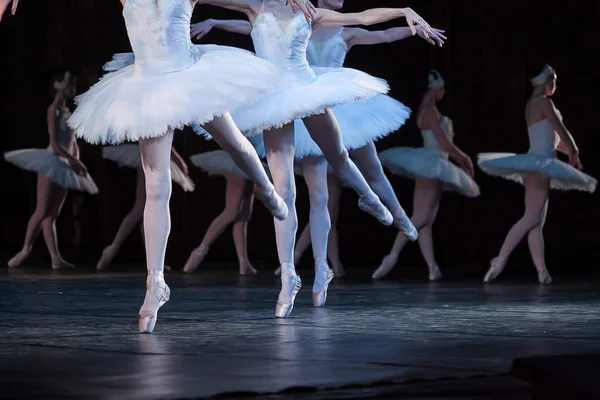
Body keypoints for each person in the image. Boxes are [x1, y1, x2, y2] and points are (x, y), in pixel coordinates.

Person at [0, 0, 314, 333]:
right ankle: (156, 283)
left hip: (191, 78)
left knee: (235, 143)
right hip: (148, 87)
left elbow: (255, 3)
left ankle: (267, 190)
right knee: (155, 185)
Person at [192, 0, 434, 317]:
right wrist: (206, 19)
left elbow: (361, 18)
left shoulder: (310, 13)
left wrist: (404, 11)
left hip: (307, 90)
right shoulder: (256, 8)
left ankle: (368, 197)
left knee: (341, 157)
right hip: (274, 101)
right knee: (284, 192)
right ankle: (288, 274)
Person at [477, 65, 596, 284]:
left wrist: (569, 150)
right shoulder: (544, 102)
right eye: (554, 80)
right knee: (531, 218)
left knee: (536, 222)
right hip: (539, 164)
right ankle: (500, 259)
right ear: (545, 82)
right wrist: (575, 149)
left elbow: (552, 140)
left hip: (536, 163)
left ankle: (542, 272)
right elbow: (561, 130)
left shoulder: (531, 104)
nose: (556, 85)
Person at [372, 70, 479, 281]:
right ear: (434, 89)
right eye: (442, 89)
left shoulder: (431, 109)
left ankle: (432, 268)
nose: (444, 92)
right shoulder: (429, 111)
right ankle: (391, 257)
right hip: (430, 163)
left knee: (427, 221)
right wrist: (464, 158)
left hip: (436, 164)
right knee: (420, 218)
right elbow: (444, 143)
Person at [4, 71, 99, 270]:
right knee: (42, 211)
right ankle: (25, 250)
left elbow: (72, 141)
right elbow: (55, 145)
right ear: (60, 87)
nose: (73, 89)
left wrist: (76, 159)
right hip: (52, 160)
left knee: (53, 213)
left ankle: (55, 257)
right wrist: (74, 160)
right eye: (70, 86)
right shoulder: (53, 111)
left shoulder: (68, 112)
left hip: (66, 163)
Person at [97, 144, 195, 271]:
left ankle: (152, 260)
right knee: (141, 208)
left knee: (145, 209)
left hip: (152, 152)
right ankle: (113, 250)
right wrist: (178, 160)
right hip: (152, 152)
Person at [184, 146, 266, 276]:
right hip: (239, 159)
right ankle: (199, 252)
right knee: (232, 211)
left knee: (243, 215)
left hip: (250, 160)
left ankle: (244, 263)